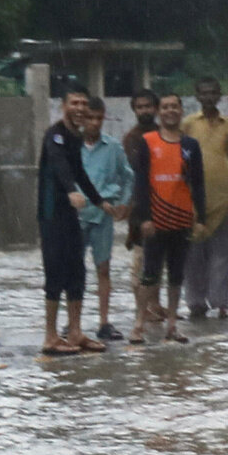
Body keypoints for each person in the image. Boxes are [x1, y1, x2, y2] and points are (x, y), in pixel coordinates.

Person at [124, 90, 204, 344]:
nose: (170, 111)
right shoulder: (147, 142)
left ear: (181, 112)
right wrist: (144, 218)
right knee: (149, 274)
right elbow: (140, 183)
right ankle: (139, 324)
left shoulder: (191, 145)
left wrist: (200, 217)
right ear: (160, 111)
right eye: (166, 107)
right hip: (155, 220)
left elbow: (198, 184)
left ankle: (172, 325)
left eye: (175, 107)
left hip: (181, 219)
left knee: (176, 275)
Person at [38, 87, 102, 356]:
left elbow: (79, 171)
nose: (79, 107)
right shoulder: (54, 135)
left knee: (77, 270)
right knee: (55, 271)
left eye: (84, 103)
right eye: (74, 102)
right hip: (52, 212)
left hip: (69, 214)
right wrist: (71, 191)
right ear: (63, 104)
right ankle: (51, 336)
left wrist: (100, 201)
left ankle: (75, 331)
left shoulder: (76, 136)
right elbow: (60, 167)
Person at [183, 78, 228, 318]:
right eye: (204, 93)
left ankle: (221, 301)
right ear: (196, 96)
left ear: (220, 95)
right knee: (193, 250)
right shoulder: (188, 124)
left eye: (213, 93)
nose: (208, 97)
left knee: (223, 251)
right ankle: (195, 301)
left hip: (222, 194)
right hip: (193, 194)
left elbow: (226, 155)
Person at [82, 96, 132, 342]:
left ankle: (103, 322)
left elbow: (128, 176)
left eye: (98, 118)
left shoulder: (112, 147)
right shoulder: (71, 147)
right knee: (74, 270)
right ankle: (74, 323)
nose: (94, 123)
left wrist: (124, 203)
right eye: (89, 118)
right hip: (76, 216)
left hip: (103, 216)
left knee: (103, 268)